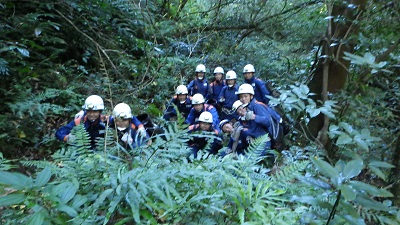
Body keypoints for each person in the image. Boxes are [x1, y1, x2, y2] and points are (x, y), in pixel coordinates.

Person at [235, 84, 279, 155]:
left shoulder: (257, 106)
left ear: (251, 96)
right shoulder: (247, 107)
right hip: (255, 141)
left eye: (245, 96)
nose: (243, 99)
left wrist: (254, 117)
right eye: (241, 97)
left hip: (263, 142)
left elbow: (267, 121)